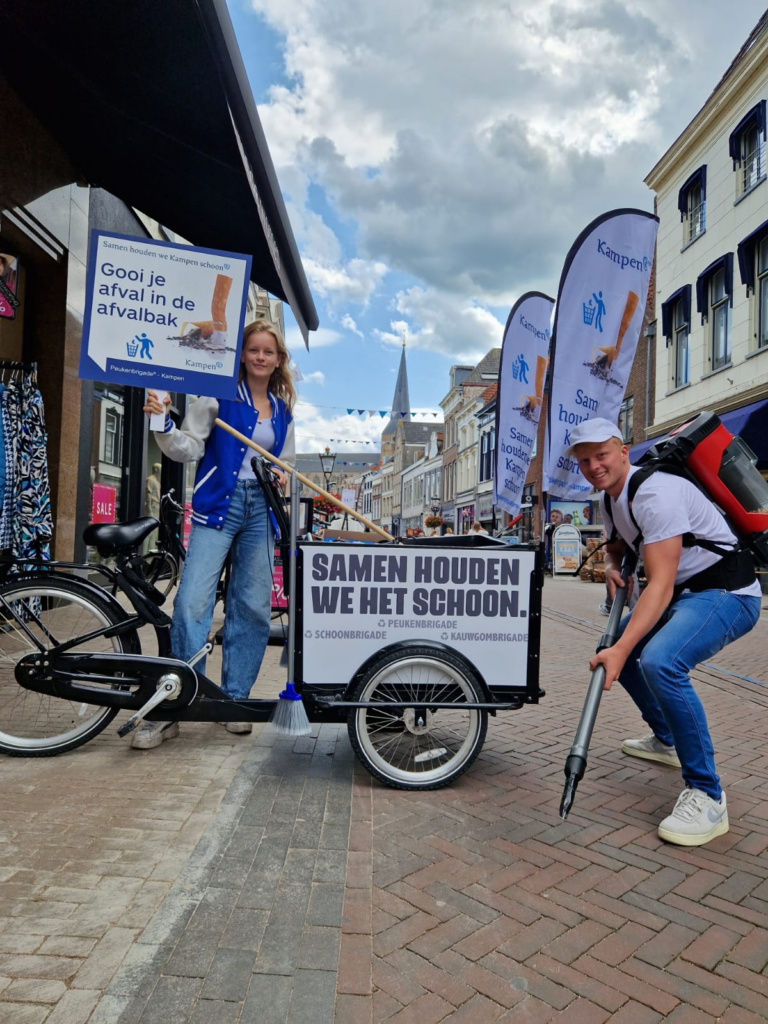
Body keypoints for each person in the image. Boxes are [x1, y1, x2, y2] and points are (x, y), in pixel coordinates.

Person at [567, 418, 761, 846]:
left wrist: (622, 650)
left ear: (623, 451)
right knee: (621, 647)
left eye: (602, 455)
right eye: (585, 460)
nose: (594, 466)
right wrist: (613, 569)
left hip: (727, 593)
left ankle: (708, 797)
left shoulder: (655, 492)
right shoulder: (610, 497)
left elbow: (660, 583)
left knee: (658, 661)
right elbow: (618, 546)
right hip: (684, 593)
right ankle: (667, 738)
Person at [132, 319, 295, 749]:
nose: (261, 357)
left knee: (253, 606)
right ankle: (179, 701)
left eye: (269, 352)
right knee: (191, 602)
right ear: (241, 354)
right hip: (217, 507)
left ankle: (232, 701)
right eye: (254, 349)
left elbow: (286, 463)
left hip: (261, 510)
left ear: (278, 361)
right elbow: (188, 447)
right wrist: (163, 424)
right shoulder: (217, 397)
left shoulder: (283, 412)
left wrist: (280, 474)